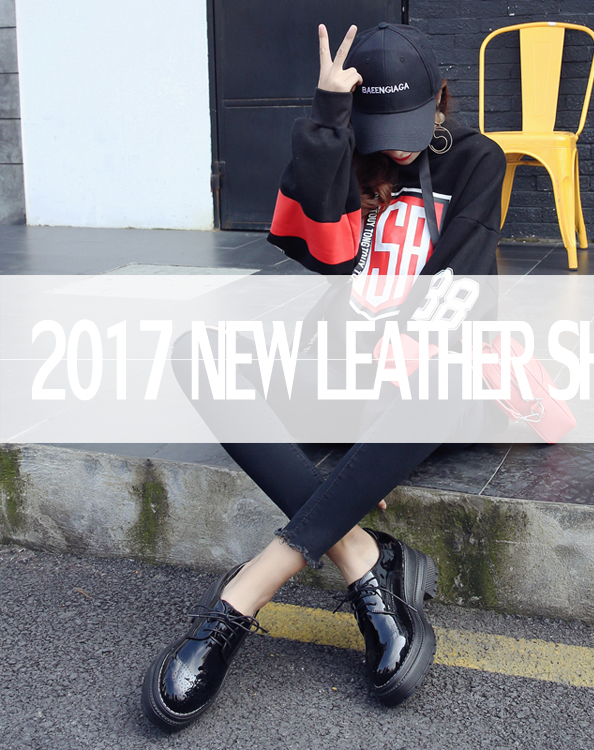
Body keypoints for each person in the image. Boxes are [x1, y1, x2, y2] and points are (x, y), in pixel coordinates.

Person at [141, 22, 506, 732]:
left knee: (456, 374)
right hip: (344, 373)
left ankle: (242, 598)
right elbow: (319, 252)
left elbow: (457, 296)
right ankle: (366, 560)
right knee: (195, 351)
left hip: (426, 382)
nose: (399, 146)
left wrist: (383, 385)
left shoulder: (476, 160)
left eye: (412, 124)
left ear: (440, 99)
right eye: (383, 128)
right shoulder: (345, 151)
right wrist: (329, 118)